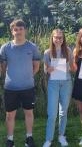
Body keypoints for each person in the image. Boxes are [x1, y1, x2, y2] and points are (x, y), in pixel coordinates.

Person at [0, 19, 40, 147]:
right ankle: (10, 140)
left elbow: (36, 67)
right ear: (12, 32)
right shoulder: (5, 48)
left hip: (28, 87)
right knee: (10, 115)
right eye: (15, 29)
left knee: (29, 113)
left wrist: (27, 77)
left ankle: (29, 138)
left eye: (20, 29)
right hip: (10, 88)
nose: (18, 32)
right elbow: (3, 68)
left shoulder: (32, 47)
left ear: (25, 30)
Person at [42, 29, 73, 147]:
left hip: (66, 82)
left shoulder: (68, 50)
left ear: (63, 39)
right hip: (53, 83)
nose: (58, 39)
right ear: (52, 38)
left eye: (61, 37)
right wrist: (48, 70)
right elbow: (45, 70)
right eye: (56, 37)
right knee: (52, 112)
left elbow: (71, 67)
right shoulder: (47, 52)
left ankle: (61, 135)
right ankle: (48, 139)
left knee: (63, 111)